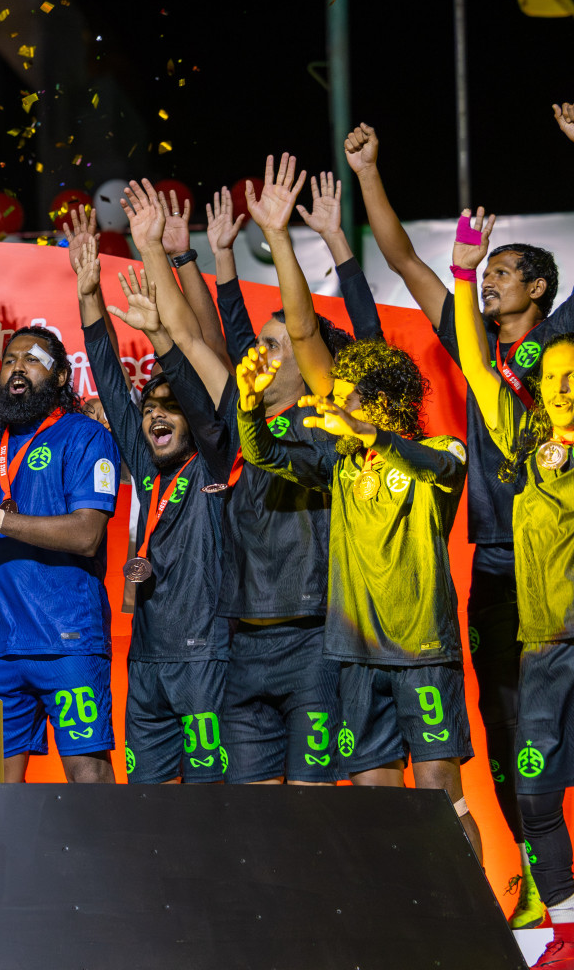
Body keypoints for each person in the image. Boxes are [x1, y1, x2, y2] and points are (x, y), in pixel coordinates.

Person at [349, 120, 569, 922]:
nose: (489, 283)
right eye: (488, 271)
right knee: (512, 734)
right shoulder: (470, 339)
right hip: (498, 565)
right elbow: (404, 259)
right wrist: (370, 171)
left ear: (539, 290)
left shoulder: (561, 344)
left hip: (565, 559)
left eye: (505, 273)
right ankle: (544, 888)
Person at [236, 328, 481, 862]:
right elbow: (265, 455)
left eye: (342, 395)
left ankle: (475, 927)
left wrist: (371, 435)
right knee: (377, 810)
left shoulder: (441, 451)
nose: (330, 407)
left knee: (442, 800)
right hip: (356, 660)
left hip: (421, 653)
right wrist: (249, 405)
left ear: (383, 404)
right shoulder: (341, 466)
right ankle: (398, 926)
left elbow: (437, 468)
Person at [0, 187, 121, 785]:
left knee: (88, 775)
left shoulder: (86, 438)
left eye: (34, 359)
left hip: (67, 640)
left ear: (60, 376)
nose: (18, 367)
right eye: (11, 359)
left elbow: (87, 535)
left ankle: (109, 878)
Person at [195, 179, 373, 787]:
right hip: (244, 642)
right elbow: (204, 337)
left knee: (314, 820)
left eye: (279, 347)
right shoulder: (250, 416)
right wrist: (204, 256)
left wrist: (276, 235)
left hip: (313, 643)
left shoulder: (329, 423)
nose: (260, 355)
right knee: (255, 827)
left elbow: (297, 331)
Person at [448, 207, 574, 968]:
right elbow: (471, 356)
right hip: (546, 642)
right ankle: (566, 927)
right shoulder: (523, 438)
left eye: (571, 375)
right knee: (532, 792)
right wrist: (463, 273)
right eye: (551, 376)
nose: (559, 385)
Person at [82, 181, 239, 785]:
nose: (155, 414)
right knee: (144, 806)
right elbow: (110, 385)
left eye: (170, 406)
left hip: (207, 658)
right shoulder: (148, 472)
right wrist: (88, 294)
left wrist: (160, 331)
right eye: (152, 407)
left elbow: (203, 377)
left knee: (210, 805)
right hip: (145, 659)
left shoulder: (217, 460)